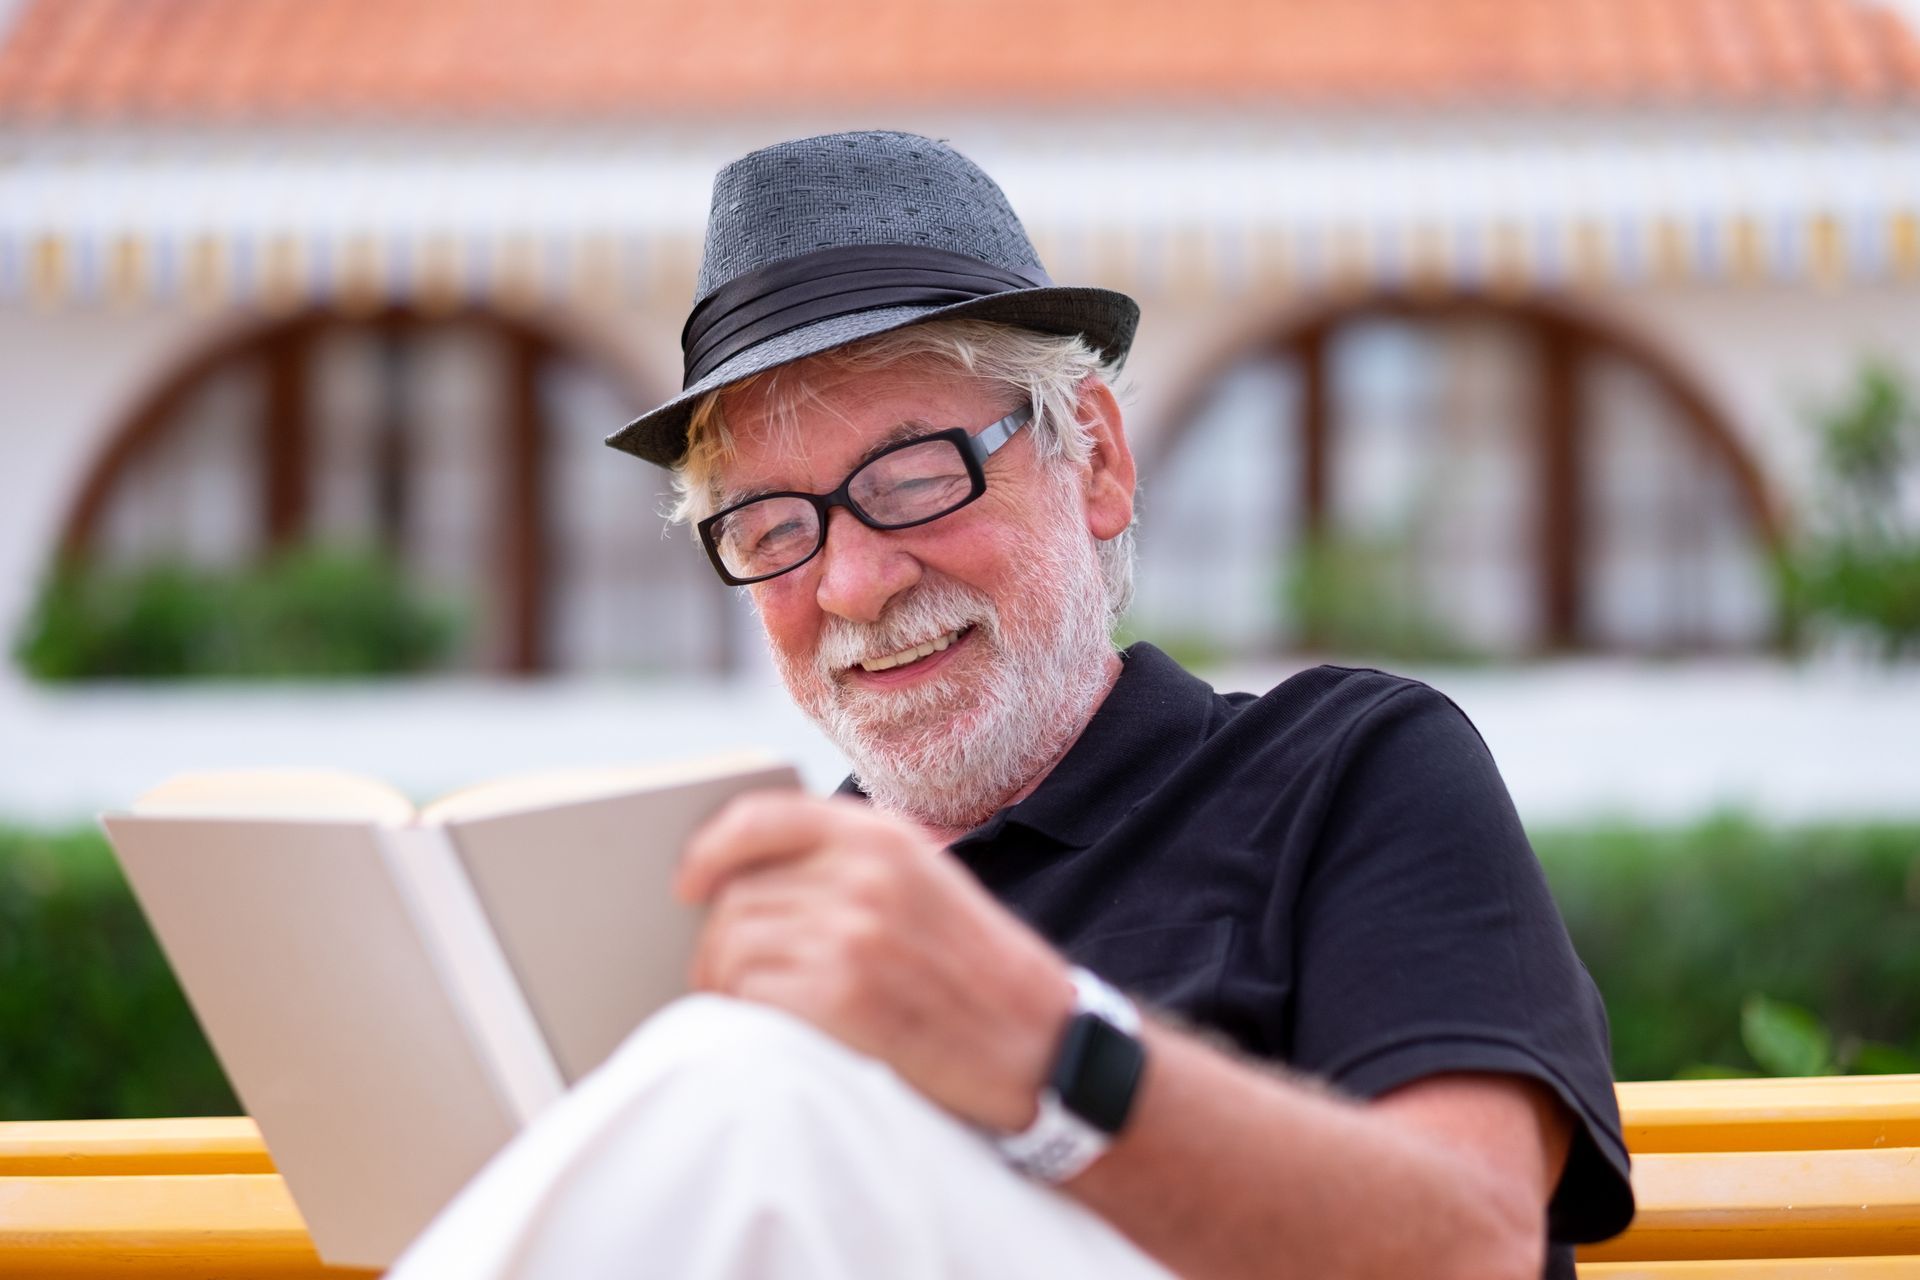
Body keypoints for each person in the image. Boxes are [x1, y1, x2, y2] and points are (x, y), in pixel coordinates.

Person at [388, 130, 1633, 1280]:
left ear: (1094, 459)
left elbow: (1472, 1241)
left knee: (749, 1088)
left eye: (917, 478)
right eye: (773, 526)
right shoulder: (772, 900)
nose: (854, 583)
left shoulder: (1350, 768)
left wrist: (1046, 1051)